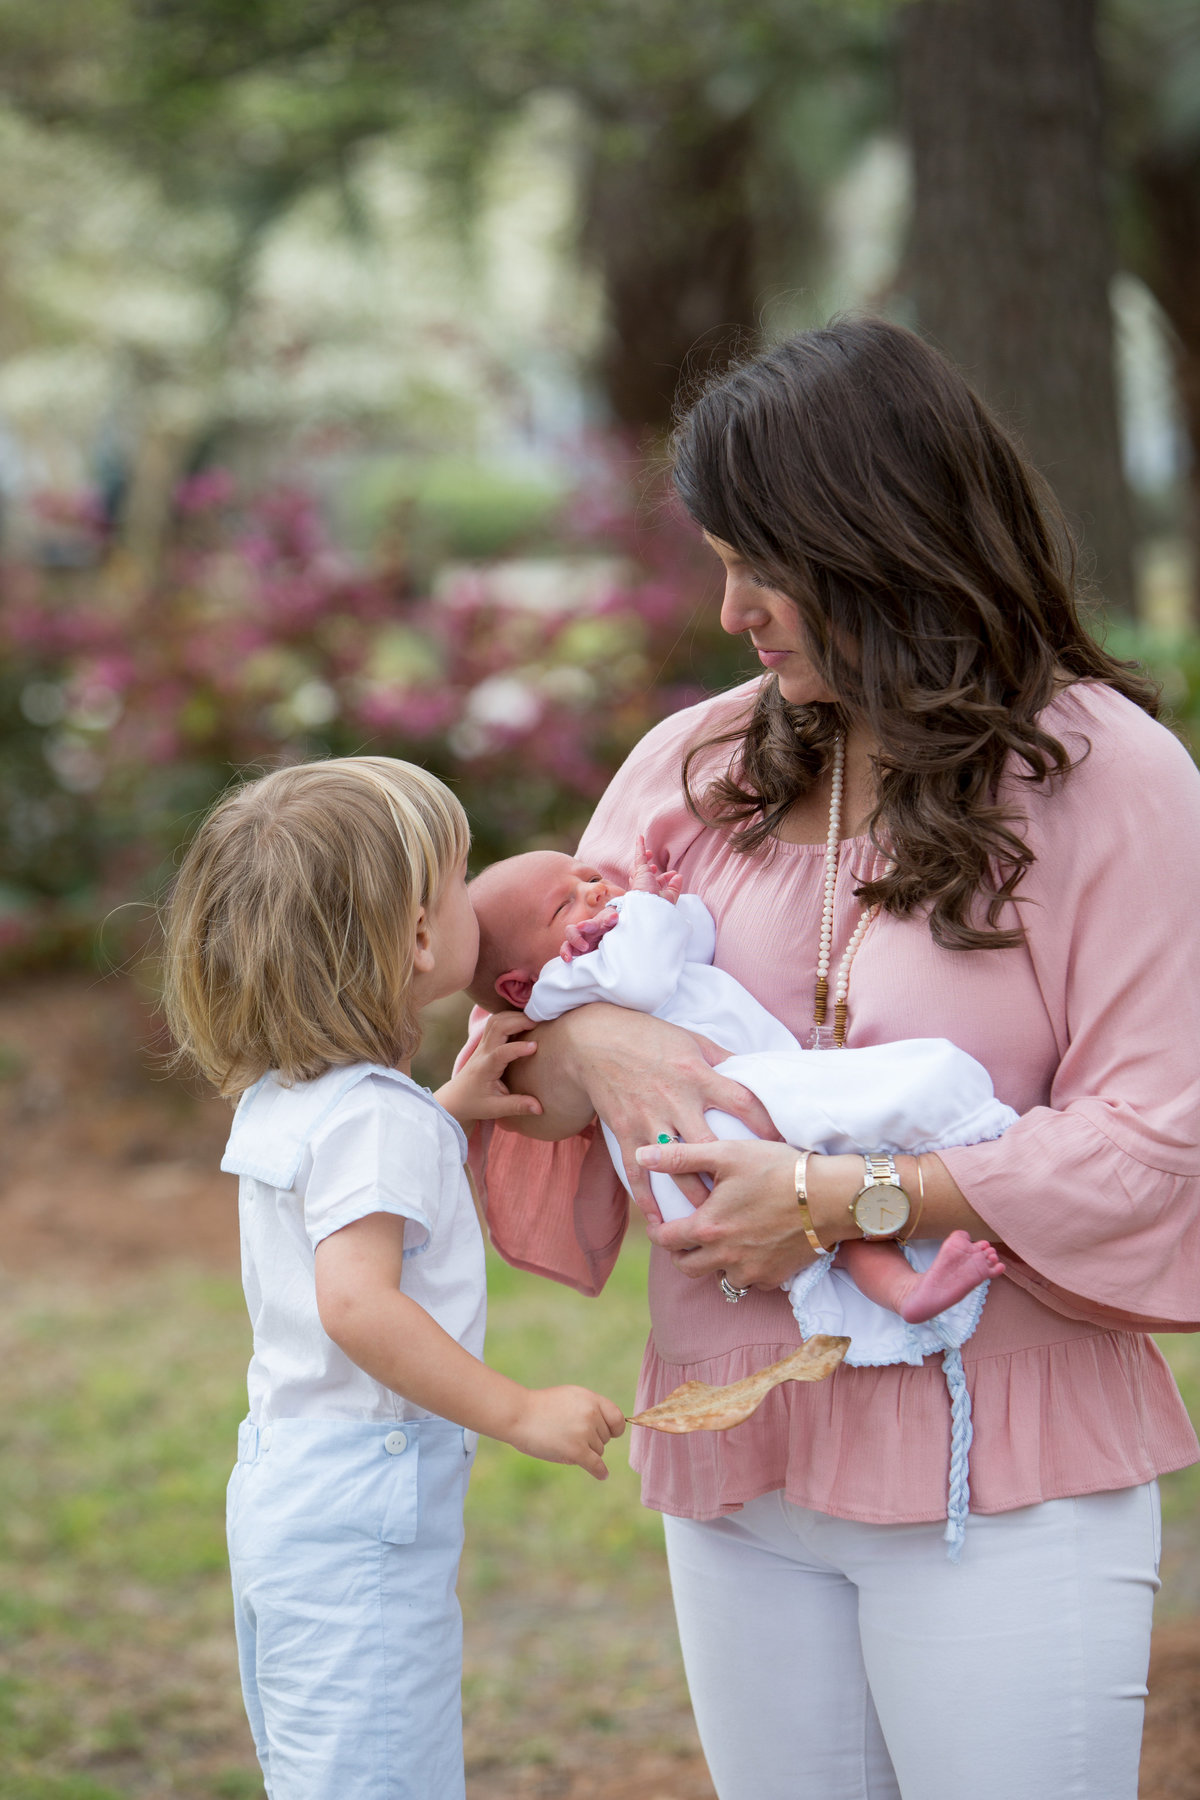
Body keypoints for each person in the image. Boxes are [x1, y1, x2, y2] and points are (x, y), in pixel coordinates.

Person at [466, 319, 1200, 1800]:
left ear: (880, 539)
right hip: (743, 1461)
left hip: (999, 1483)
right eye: (717, 558)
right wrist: (601, 1036)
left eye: (763, 561)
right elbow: (521, 1043)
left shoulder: (1108, 779)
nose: (731, 606)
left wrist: (846, 1198)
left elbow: (1164, 1134)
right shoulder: (693, 771)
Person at [161, 756, 625, 1800]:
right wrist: (520, 1410)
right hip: (360, 1508)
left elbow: (350, 1184)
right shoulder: (373, 1117)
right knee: (376, 1775)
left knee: (322, 1765)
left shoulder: (296, 1094)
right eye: (459, 885)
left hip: (290, 1486)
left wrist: (443, 1115)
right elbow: (359, 1304)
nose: (474, 900)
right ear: (420, 939)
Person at [467, 833, 1009, 1338]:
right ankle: (965, 1131)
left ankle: (905, 1290)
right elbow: (643, 978)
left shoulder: (611, 949)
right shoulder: (561, 984)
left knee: (830, 1226)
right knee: (907, 1083)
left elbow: (695, 941)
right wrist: (647, 910)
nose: (597, 891)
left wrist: (671, 909)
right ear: (518, 983)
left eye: (589, 878)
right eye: (565, 904)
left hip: (730, 1109)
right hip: (709, 1123)